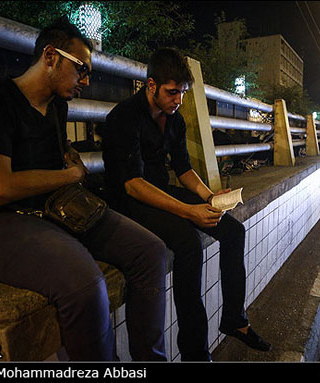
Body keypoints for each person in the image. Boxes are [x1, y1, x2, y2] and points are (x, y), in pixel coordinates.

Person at [0, 18, 167, 361]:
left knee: (151, 252)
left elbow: (58, 159)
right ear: (50, 56)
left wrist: (68, 165)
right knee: (86, 285)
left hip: (54, 211)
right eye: (80, 68)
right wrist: (70, 176)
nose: (86, 80)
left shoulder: (57, 107)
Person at [102, 48, 271, 361]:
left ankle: (235, 319)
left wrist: (209, 197)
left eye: (181, 93)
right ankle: (195, 352)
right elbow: (132, 185)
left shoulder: (174, 120)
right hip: (128, 201)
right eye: (171, 92)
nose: (177, 100)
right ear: (150, 85)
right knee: (188, 243)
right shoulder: (125, 117)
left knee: (234, 230)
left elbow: (183, 169)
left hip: (159, 191)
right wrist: (188, 211)